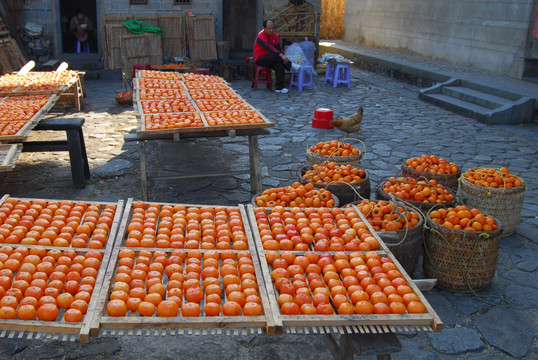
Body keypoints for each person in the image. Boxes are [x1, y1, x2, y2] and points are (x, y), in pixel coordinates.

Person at [253, 20, 291, 93]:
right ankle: (290, 65)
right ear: (264, 28)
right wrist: (282, 56)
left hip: (272, 58)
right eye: (269, 28)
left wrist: (282, 55)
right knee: (278, 57)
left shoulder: (275, 36)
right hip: (260, 58)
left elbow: (278, 48)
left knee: (279, 64)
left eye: (272, 28)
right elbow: (270, 48)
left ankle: (279, 87)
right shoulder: (261, 36)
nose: (271, 30)